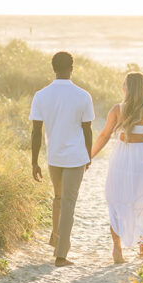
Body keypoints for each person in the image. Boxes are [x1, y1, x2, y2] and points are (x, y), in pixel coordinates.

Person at [91, 71, 143, 264]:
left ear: (127, 88)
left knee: (117, 200)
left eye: (123, 85)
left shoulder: (117, 109)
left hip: (122, 157)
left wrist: (89, 156)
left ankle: (117, 250)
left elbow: (104, 135)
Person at [30, 51, 94, 267]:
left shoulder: (41, 95)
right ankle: (61, 255)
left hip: (54, 156)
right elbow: (87, 130)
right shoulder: (83, 95)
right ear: (72, 67)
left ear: (53, 67)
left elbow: (36, 132)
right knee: (68, 203)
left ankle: (56, 241)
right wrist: (89, 155)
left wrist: (34, 161)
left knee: (59, 198)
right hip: (75, 157)